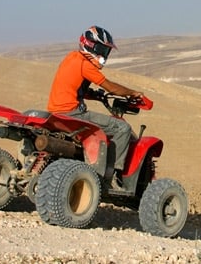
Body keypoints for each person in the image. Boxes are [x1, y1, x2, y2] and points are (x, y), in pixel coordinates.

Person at [47, 25, 143, 189]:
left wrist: (91, 93)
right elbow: (111, 87)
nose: (104, 55)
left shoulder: (71, 58)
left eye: (106, 51)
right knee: (122, 128)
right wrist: (133, 93)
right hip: (73, 113)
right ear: (90, 45)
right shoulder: (86, 64)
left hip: (56, 111)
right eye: (102, 49)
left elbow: (73, 85)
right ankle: (111, 176)